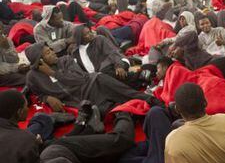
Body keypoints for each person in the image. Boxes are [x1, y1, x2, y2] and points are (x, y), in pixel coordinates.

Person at [0, 90, 91, 163]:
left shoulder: (21, 137)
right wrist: (34, 144)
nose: (28, 109)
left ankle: (45, 120)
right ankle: (61, 126)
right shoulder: (24, 139)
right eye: (25, 106)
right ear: (19, 112)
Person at [25, 42, 157, 115]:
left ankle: (153, 100)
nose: (53, 53)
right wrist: (46, 98)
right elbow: (37, 92)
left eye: (51, 50)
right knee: (111, 111)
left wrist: (54, 73)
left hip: (95, 83)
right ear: (39, 60)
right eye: (48, 52)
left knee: (127, 93)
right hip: (80, 100)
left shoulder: (65, 60)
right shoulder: (32, 77)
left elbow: (80, 79)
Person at [71, 25, 151, 89]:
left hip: (116, 63)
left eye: (90, 31)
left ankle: (140, 75)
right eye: (87, 34)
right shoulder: (75, 52)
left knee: (108, 73)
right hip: (99, 77)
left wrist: (118, 65)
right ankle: (140, 80)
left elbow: (112, 53)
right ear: (80, 38)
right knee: (106, 82)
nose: (91, 34)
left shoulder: (98, 39)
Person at [0, 22, 30, 87]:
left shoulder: (6, 40)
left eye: (1, 32)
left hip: (9, 67)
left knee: (32, 71)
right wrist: (17, 68)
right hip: (2, 72)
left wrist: (7, 48)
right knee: (26, 79)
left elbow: (15, 60)